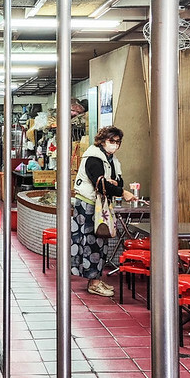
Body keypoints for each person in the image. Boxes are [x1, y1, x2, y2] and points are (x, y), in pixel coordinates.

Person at [72, 126, 136, 297]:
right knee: (91, 243)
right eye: (111, 141)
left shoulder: (112, 160)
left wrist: (115, 185)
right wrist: (122, 192)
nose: (115, 145)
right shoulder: (93, 158)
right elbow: (101, 184)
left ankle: (96, 279)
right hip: (88, 205)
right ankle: (93, 283)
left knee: (102, 240)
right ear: (102, 141)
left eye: (117, 142)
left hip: (101, 206)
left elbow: (117, 181)